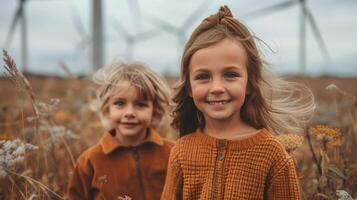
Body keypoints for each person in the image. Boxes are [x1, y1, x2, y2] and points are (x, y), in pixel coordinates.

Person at [161, 5, 315, 200]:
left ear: (250, 83)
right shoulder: (181, 152)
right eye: (203, 77)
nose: (217, 87)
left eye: (230, 75)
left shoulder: (273, 155)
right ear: (189, 88)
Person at [68, 61, 173, 200]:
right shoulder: (90, 161)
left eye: (141, 105)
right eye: (120, 103)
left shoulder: (173, 153)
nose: (129, 112)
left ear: (155, 111)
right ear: (106, 109)